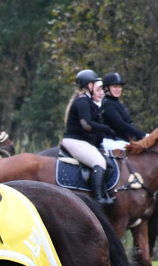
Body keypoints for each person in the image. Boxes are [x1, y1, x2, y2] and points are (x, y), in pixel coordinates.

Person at [61, 69, 115, 206]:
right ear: (88, 85)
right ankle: (97, 198)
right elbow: (86, 125)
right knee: (99, 162)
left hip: (82, 141)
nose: (96, 86)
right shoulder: (82, 101)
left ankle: (105, 192)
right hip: (74, 141)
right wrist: (106, 129)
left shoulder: (88, 101)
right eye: (94, 83)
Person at [100, 72, 145, 150]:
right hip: (112, 142)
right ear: (106, 88)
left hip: (122, 141)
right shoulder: (108, 105)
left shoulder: (118, 103)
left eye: (120, 87)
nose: (118, 89)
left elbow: (129, 124)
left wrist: (139, 137)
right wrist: (142, 135)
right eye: (115, 86)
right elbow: (120, 125)